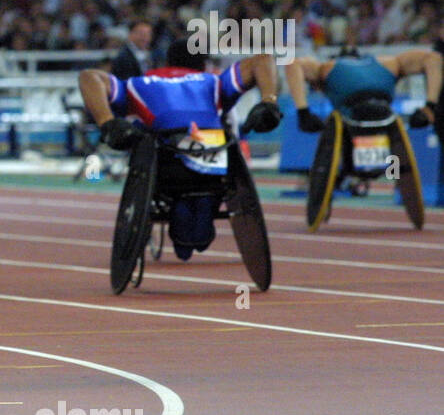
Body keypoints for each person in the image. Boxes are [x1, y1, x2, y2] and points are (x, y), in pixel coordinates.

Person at [78, 38, 282, 261]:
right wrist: (269, 102)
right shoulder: (212, 81)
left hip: (165, 170)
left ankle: (184, 212)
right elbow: (263, 59)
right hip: (214, 172)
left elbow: (88, 76)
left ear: (165, 62)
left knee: (185, 237)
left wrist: (107, 122)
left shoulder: (137, 84)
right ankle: (203, 207)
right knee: (200, 234)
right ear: (202, 65)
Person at [284, 45, 442, 135]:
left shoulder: (327, 66)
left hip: (346, 89)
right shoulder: (388, 62)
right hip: (382, 86)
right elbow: (433, 58)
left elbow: (292, 63)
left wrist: (303, 113)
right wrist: (430, 107)